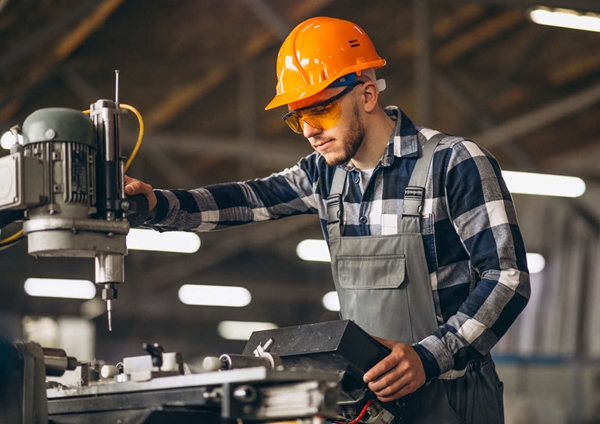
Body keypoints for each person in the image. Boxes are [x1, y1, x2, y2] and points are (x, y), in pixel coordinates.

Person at [126, 16, 530, 423]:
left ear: (367, 94)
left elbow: (507, 278)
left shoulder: (453, 162)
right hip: (368, 404)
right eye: (297, 118)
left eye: (320, 111)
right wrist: (158, 204)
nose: (309, 131)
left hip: (452, 398)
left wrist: (429, 357)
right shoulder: (324, 174)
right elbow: (248, 198)